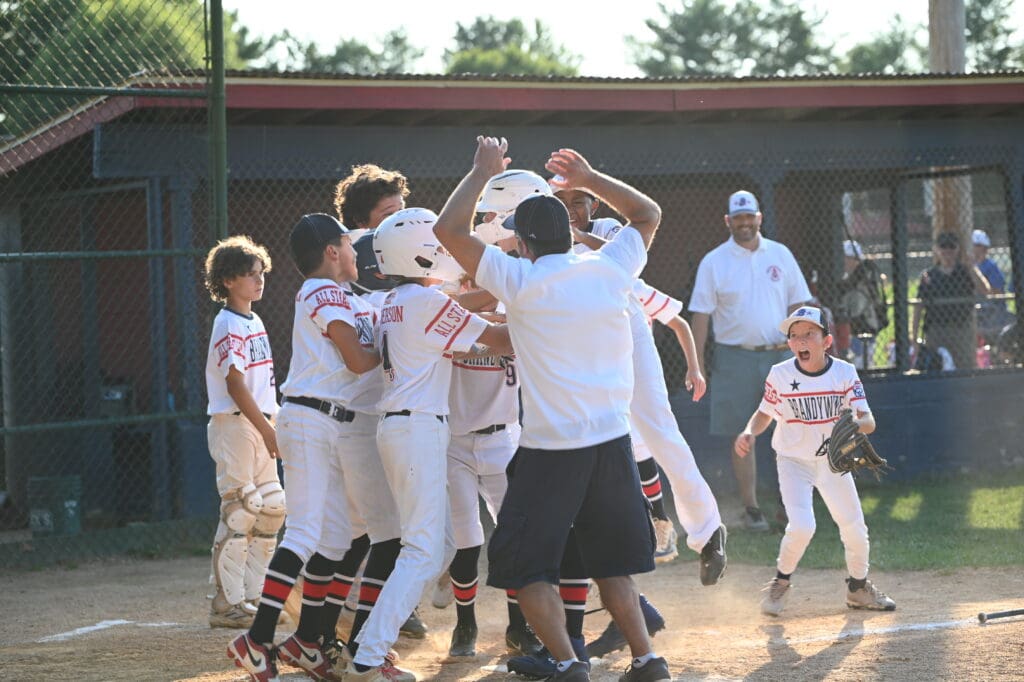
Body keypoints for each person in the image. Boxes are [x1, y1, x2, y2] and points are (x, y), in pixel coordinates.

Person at [435, 137, 671, 682]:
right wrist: (588, 179)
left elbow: (448, 232)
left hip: (551, 451)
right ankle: (647, 659)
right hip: (613, 443)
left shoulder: (519, 279)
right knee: (611, 564)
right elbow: (647, 213)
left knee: (525, 565)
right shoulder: (610, 268)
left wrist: (480, 172)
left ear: (521, 242)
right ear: (569, 232)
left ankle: (567, 661)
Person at [343, 208, 511, 682]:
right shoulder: (423, 301)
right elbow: (499, 338)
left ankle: (370, 643)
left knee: (439, 545)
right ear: (421, 251)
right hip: (417, 428)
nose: (446, 250)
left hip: (408, 426)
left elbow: (463, 333)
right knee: (421, 551)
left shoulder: (400, 297)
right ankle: (367, 657)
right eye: (437, 242)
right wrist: (543, 310)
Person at [228, 214, 379, 682]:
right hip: (311, 416)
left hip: (324, 422)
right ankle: (255, 640)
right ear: (332, 252)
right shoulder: (322, 290)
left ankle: (307, 644)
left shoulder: (342, 294)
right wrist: (403, 351)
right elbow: (357, 361)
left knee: (336, 538)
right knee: (305, 532)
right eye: (348, 245)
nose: (355, 252)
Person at [734, 305, 896, 617]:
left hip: (833, 461)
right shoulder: (780, 374)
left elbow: (868, 420)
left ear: (827, 341)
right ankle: (781, 582)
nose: (801, 340)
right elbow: (765, 412)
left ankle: (858, 589)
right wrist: (748, 432)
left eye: (810, 334)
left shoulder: (844, 373)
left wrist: (850, 428)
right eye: (794, 336)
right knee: (803, 526)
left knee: (854, 527)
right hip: (793, 461)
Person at [689, 190, 812, 531]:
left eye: (749, 217)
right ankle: (752, 509)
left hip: (781, 355)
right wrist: (695, 364)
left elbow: (797, 305)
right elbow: (700, 316)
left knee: (795, 431)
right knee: (743, 434)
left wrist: (802, 350)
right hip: (735, 357)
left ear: (759, 218)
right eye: (737, 218)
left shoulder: (781, 254)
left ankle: (791, 507)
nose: (744, 223)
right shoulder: (714, 261)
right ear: (728, 221)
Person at [203, 236, 285, 630]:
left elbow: (260, 383)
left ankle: (253, 596)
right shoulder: (227, 322)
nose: (259, 280)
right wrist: (266, 429)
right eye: (250, 275)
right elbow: (235, 385)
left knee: (271, 508)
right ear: (229, 280)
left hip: (259, 421)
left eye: (261, 273)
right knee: (239, 511)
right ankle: (226, 600)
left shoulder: (255, 319)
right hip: (236, 424)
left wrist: (275, 422)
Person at [911, 231, 991, 371]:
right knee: (937, 365)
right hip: (936, 329)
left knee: (965, 368)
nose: (947, 251)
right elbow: (918, 308)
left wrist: (971, 268)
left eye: (951, 247)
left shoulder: (965, 272)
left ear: (958, 249)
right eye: (943, 247)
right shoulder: (929, 275)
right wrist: (914, 337)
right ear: (936, 249)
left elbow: (985, 290)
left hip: (961, 328)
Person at [831, 239, 888, 367]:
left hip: (863, 328)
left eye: (847, 258)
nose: (844, 261)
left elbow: (856, 308)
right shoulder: (851, 278)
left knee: (860, 365)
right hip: (851, 331)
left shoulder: (863, 279)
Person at [971, 229, 1011, 340]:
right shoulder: (969, 266)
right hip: (978, 310)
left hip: (993, 310)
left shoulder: (990, 266)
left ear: (984, 248)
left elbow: (997, 291)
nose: (973, 248)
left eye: (976, 245)